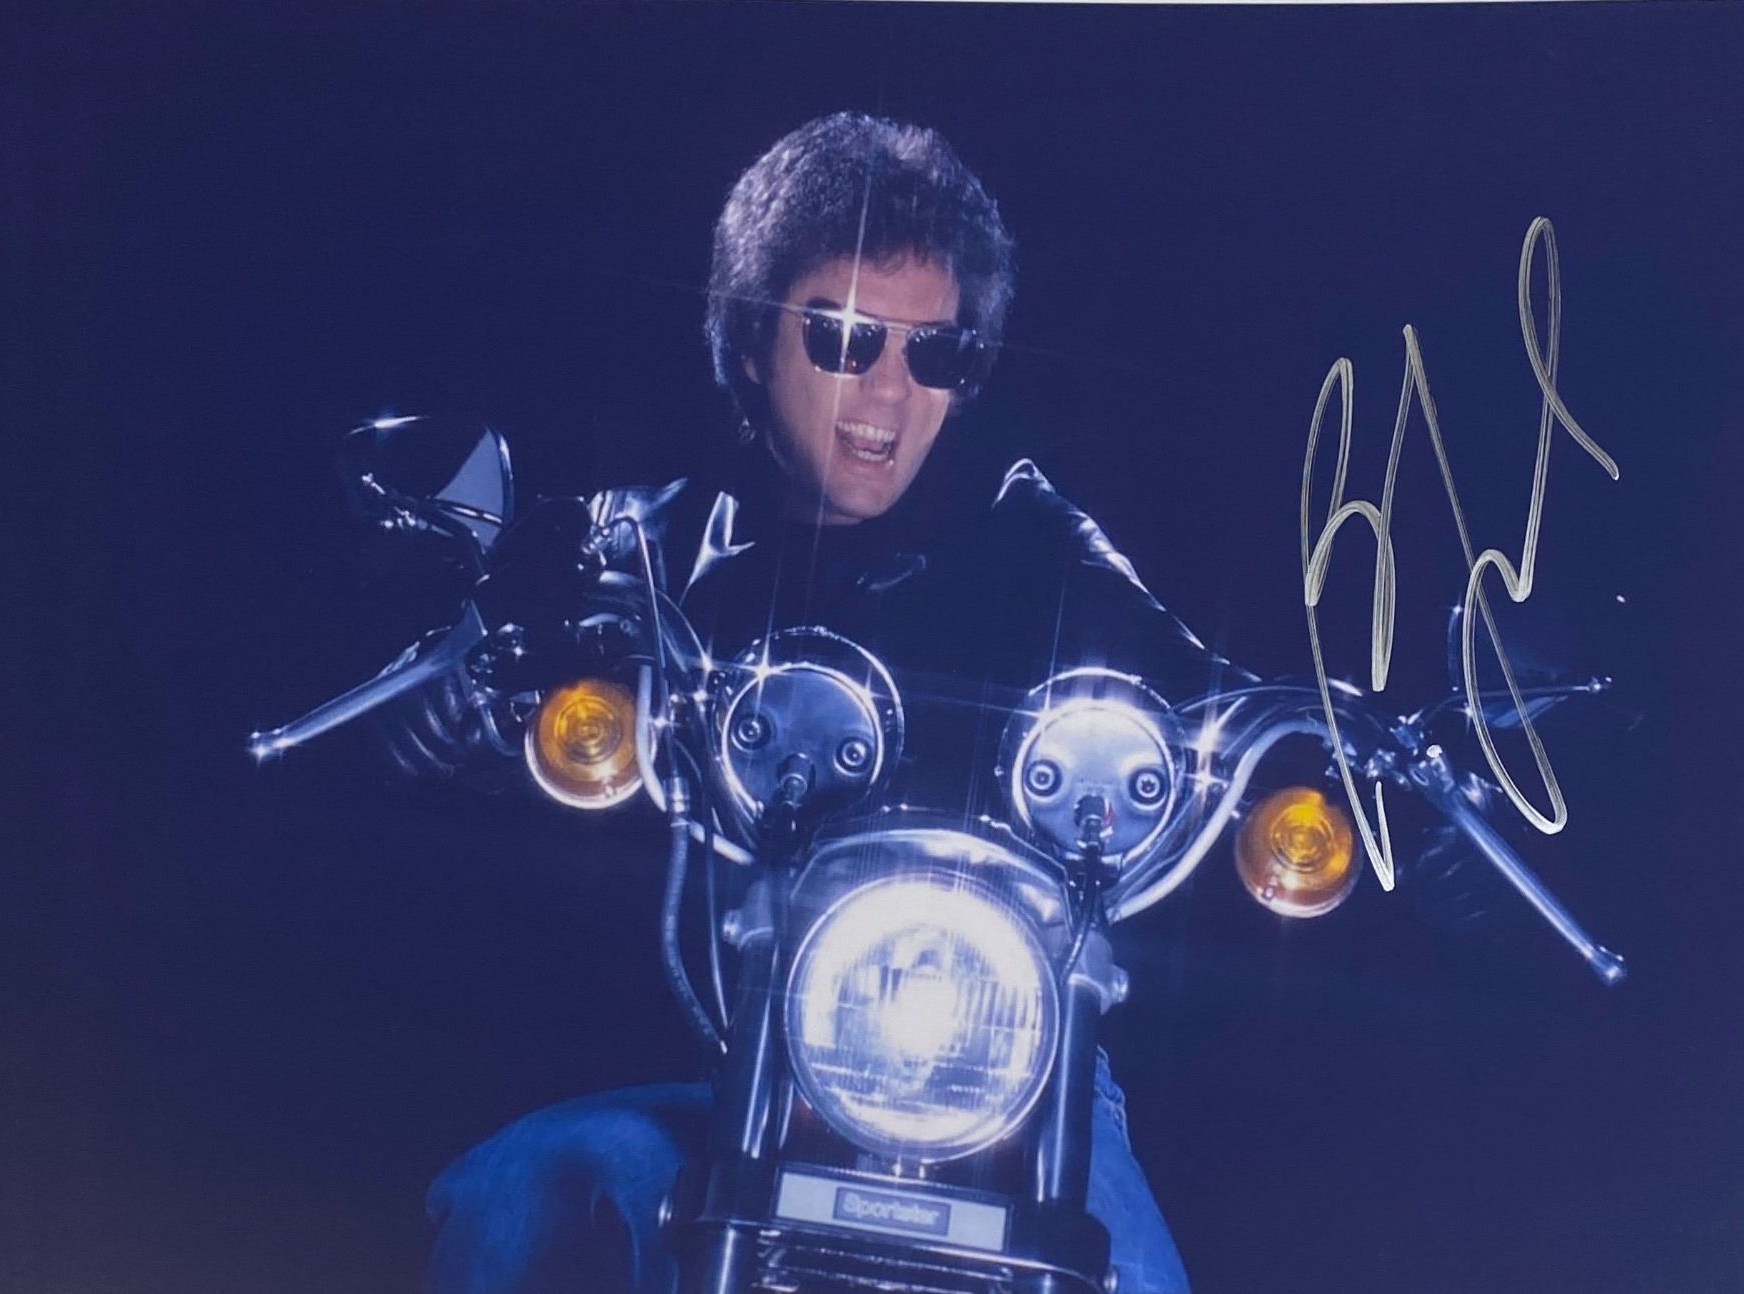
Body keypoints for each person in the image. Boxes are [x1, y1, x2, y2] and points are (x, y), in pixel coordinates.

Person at [407, 112, 1235, 1294]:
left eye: (934, 354)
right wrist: (455, 699)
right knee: (512, 1201)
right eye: (844, 338)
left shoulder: (1037, 543)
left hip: (1018, 1066)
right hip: (730, 1043)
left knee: (1133, 1278)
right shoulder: (645, 547)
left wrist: (1366, 764)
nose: (888, 392)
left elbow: (1217, 695)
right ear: (753, 340)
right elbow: (496, 635)